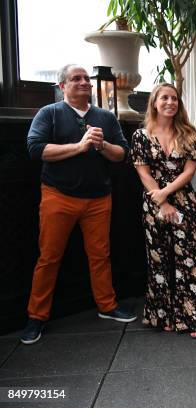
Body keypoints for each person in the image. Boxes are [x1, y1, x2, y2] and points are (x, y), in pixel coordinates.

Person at [20, 64, 136, 344]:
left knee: (100, 256)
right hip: (58, 197)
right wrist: (80, 147)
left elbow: (122, 153)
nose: (84, 82)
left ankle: (107, 307)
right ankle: (36, 317)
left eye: (86, 78)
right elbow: (36, 149)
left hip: (99, 198)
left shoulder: (105, 117)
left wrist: (101, 145)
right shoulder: (49, 113)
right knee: (49, 258)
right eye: (76, 78)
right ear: (62, 86)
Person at [130, 83, 196, 338]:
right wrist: (162, 202)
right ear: (154, 102)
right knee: (159, 260)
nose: (170, 102)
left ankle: (192, 318)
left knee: (188, 259)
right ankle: (163, 315)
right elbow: (143, 172)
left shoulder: (189, 134)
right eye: (164, 97)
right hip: (153, 204)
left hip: (184, 201)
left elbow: (189, 171)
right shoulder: (141, 136)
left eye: (174, 98)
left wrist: (167, 194)